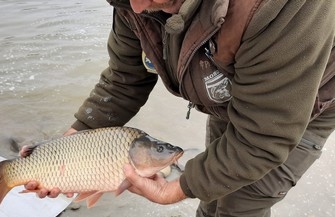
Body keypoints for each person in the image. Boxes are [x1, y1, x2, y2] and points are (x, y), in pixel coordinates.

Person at [21, 0, 335, 216]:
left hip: (303, 105)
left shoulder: (282, 7)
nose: (139, 7)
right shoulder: (134, 3)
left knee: (242, 203)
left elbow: (260, 140)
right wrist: (67, 146)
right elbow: (125, 79)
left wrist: (177, 189)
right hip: (228, 98)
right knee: (213, 193)